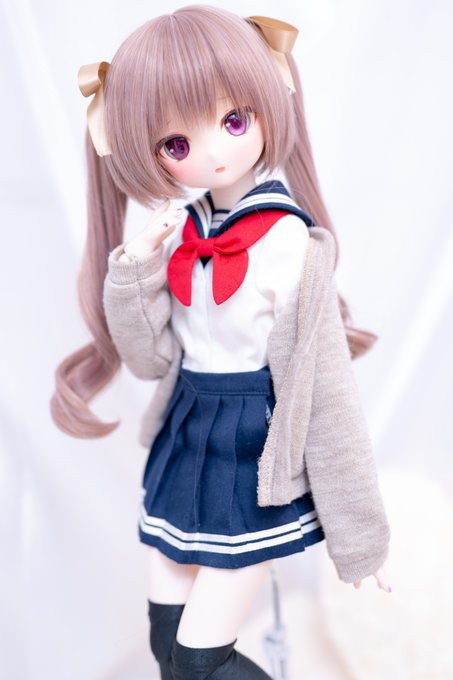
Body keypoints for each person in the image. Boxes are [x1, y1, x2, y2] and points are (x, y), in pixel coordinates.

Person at [51, 6, 391, 678]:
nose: (210, 153)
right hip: (188, 436)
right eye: (175, 144)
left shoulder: (288, 245)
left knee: (199, 662)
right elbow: (150, 361)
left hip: (251, 452)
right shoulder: (181, 231)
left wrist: (360, 538)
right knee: (168, 647)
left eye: (234, 121)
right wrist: (134, 273)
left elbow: (328, 396)